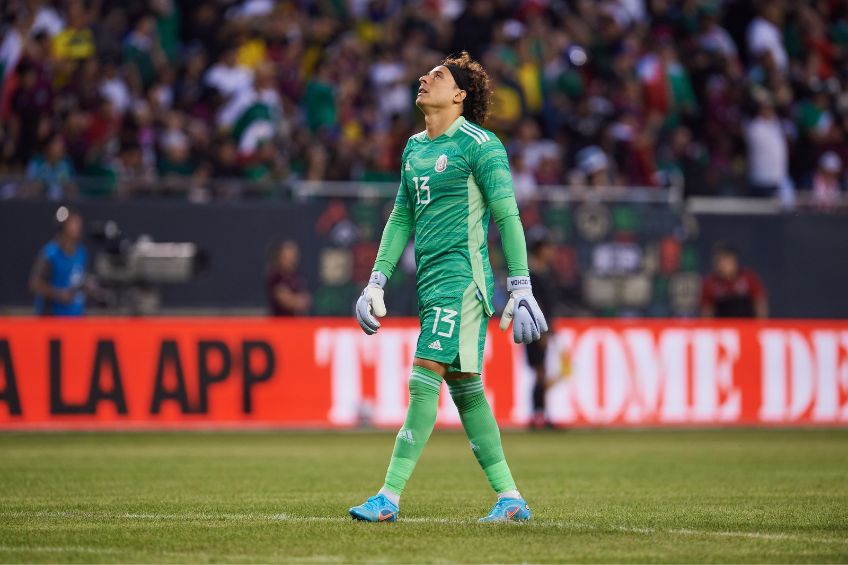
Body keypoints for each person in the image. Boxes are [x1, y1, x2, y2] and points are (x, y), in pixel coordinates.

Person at [350, 51, 548, 523]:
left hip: (463, 280)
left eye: (436, 75)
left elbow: (507, 215)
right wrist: (376, 280)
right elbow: (401, 215)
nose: (423, 77)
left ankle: (388, 497)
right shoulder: (414, 147)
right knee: (465, 387)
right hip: (431, 281)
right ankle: (511, 499)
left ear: (458, 95)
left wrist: (520, 286)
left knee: (424, 376)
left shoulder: (481, 145)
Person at [29, 206, 89, 316]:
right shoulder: (50, 254)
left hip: (76, 318)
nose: (78, 227)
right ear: (63, 227)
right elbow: (35, 284)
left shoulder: (81, 253)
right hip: (53, 319)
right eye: (73, 223)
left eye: (78, 223)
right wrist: (59, 294)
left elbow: (78, 278)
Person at [525, 230, 556, 429]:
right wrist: (543, 331)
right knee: (540, 373)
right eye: (547, 247)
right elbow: (537, 304)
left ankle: (540, 415)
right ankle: (538, 416)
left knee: (541, 372)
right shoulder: (532, 274)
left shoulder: (543, 272)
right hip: (536, 329)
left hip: (541, 328)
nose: (551, 251)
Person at [700, 242, 767, 319]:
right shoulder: (710, 283)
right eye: (719, 261)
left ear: (734, 261)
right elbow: (706, 311)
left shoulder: (748, 278)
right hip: (722, 327)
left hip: (747, 325)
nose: (722, 265)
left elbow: (760, 303)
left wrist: (760, 326)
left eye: (726, 260)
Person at [266, 240, 310, 316]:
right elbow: (285, 301)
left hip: (297, 322)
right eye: (288, 257)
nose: (291, 260)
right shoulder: (275, 276)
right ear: (280, 257)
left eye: (293, 256)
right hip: (279, 323)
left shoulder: (297, 275)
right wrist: (296, 301)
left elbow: (306, 299)